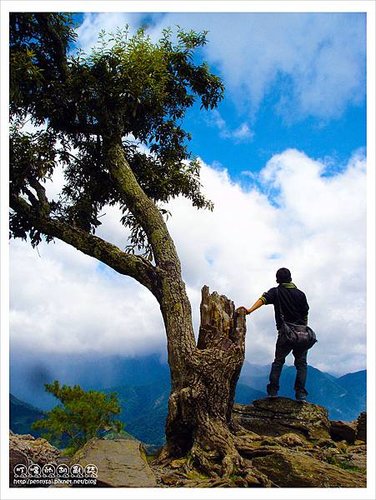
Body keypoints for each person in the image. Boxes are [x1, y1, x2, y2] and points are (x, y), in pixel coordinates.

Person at [237, 268, 310, 402]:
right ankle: (301, 395)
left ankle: (273, 392)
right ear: (291, 278)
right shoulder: (301, 294)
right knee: (301, 364)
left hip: (285, 333)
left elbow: (263, 299)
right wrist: (303, 329)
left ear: (277, 279)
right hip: (302, 333)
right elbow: (305, 313)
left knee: (278, 362)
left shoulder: (276, 292)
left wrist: (249, 310)